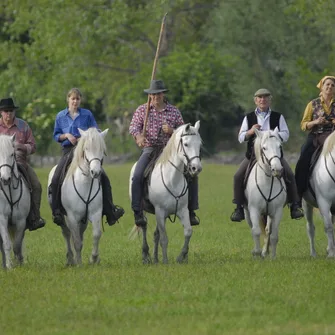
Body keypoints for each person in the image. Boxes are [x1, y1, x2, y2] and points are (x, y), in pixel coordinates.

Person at [129, 79, 200, 227]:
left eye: (158, 94)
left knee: (192, 174)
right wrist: (139, 137)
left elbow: (184, 133)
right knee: (137, 175)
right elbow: (134, 127)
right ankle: (138, 211)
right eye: (153, 95)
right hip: (150, 149)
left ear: (163, 94)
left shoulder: (173, 111)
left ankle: (191, 210)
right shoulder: (143, 110)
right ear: (149, 96)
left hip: (170, 150)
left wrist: (172, 131)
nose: (156, 97)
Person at [51, 88, 124, 226]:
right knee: (56, 178)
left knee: (104, 178)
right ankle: (57, 211)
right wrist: (66, 136)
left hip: (86, 151)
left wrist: (87, 137)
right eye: (73, 99)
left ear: (80, 100)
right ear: (68, 100)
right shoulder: (60, 116)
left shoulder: (87, 114)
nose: (75, 101)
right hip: (68, 150)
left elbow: (95, 129)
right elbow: (56, 135)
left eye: (77, 99)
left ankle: (110, 211)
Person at [230, 88, 304, 222]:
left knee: (290, 175)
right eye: (260, 97)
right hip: (253, 155)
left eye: (265, 97)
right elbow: (241, 137)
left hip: (274, 154)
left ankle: (295, 205)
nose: (262, 100)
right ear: (255, 101)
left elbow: (286, 134)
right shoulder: (248, 117)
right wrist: (251, 131)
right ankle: (239, 208)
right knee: (237, 176)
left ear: (270, 100)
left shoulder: (278, 116)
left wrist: (271, 135)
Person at [0, 98, 46, 231]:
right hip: (1, 164)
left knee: (36, 185)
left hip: (21, 163)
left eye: (11, 111)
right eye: (6, 111)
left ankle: (34, 217)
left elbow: (33, 146)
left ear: (14, 112)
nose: (9, 114)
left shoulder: (23, 126)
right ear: (1, 113)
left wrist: (22, 147)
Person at [295, 76, 335, 198]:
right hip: (316, 136)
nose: (330, 87)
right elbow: (303, 125)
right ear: (321, 87)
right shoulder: (312, 104)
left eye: (333, 85)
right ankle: (298, 194)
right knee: (303, 158)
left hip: (334, 137)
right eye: (327, 84)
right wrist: (316, 122)